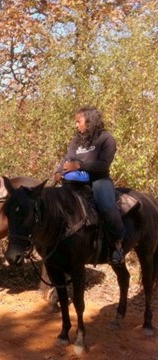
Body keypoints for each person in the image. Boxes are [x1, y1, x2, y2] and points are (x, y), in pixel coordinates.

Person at [54, 106, 125, 265]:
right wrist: (59, 172)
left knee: (107, 207)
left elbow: (103, 165)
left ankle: (117, 245)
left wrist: (80, 166)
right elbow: (67, 159)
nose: (76, 125)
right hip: (74, 181)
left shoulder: (106, 138)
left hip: (98, 180)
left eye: (79, 121)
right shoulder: (76, 140)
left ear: (89, 121)